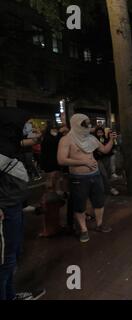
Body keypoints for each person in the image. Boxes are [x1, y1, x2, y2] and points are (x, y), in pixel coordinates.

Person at [0, 108, 46, 300]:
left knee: (12, 256)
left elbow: (24, 142)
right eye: (22, 125)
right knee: (6, 260)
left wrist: (36, 138)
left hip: (13, 206)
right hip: (6, 210)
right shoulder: (2, 146)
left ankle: (10, 295)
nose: (25, 128)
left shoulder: (8, 142)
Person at [57, 114, 116, 243]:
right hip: (78, 178)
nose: (89, 126)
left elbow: (105, 150)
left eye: (89, 123)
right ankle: (84, 230)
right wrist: (83, 162)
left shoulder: (91, 138)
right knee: (79, 205)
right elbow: (61, 160)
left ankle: (99, 225)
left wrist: (111, 140)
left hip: (95, 175)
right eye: (85, 123)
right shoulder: (66, 140)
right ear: (76, 124)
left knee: (99, 201)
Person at [94, 127, 120, 196]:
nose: (100, 134)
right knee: (104, 174)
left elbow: (109, 149)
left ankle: (106, 188)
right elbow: (102, 150)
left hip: (106, 159)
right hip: (99, 160)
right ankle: (109, 189)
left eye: (101, 132)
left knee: (107, 175)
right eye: (98, 133)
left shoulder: (106, 139)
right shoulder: (94, 140)